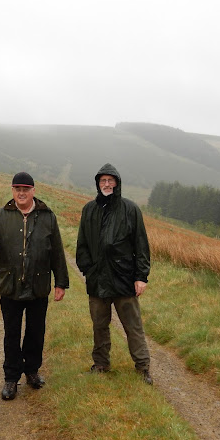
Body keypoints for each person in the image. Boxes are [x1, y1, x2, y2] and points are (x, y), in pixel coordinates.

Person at [0, 172, 69, 400]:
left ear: (33, 191)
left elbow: (56, 251)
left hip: (38, 286)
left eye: (26, 189)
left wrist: (61, 282)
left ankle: (32, 371)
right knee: (11, 334)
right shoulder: (1, 216)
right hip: (10, 286)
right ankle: (11, 378)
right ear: (12, 191)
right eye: (17, 189)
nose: (21, 193)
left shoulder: (48, 217)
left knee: (36, 332)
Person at [75, 163, 153, 384]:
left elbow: (141, 245)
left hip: (124, 278)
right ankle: (101, 364)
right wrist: (88, 269)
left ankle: (143, 367)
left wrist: (141, 276)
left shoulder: (130, 209)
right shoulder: (89, 210)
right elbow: (82, 244)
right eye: (103, 181)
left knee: (133, 326)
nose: (107, 184)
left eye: (110, 180)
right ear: (98, 184)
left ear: (117, 183)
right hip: (97, 280)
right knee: (99, 325)